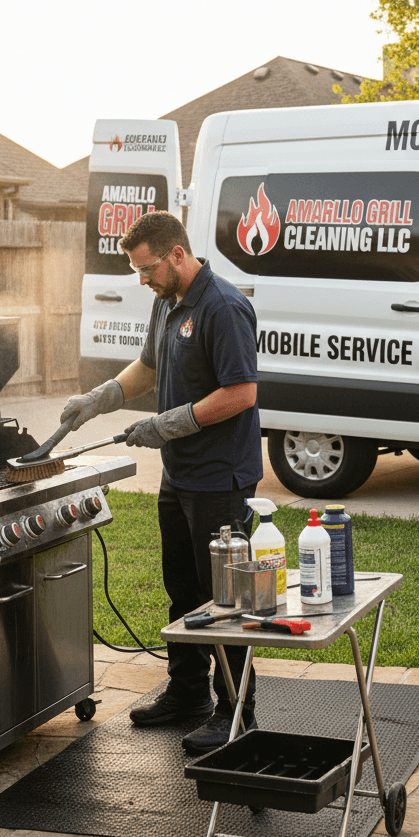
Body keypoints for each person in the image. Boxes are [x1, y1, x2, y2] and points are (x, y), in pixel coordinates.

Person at [61, 211, 263, 754]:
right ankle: (189, 693)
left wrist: (167, 423)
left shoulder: (222, 307)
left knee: (225, 599)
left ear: (176, 253)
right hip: (180, 476)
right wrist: (99, 399)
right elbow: (148, 368)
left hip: (221, 478)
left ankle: (236, 711)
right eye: (136, 271)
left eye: (146, 268)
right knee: (183, 592)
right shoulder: (165, 302)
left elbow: (241, 392)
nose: (141, 279)